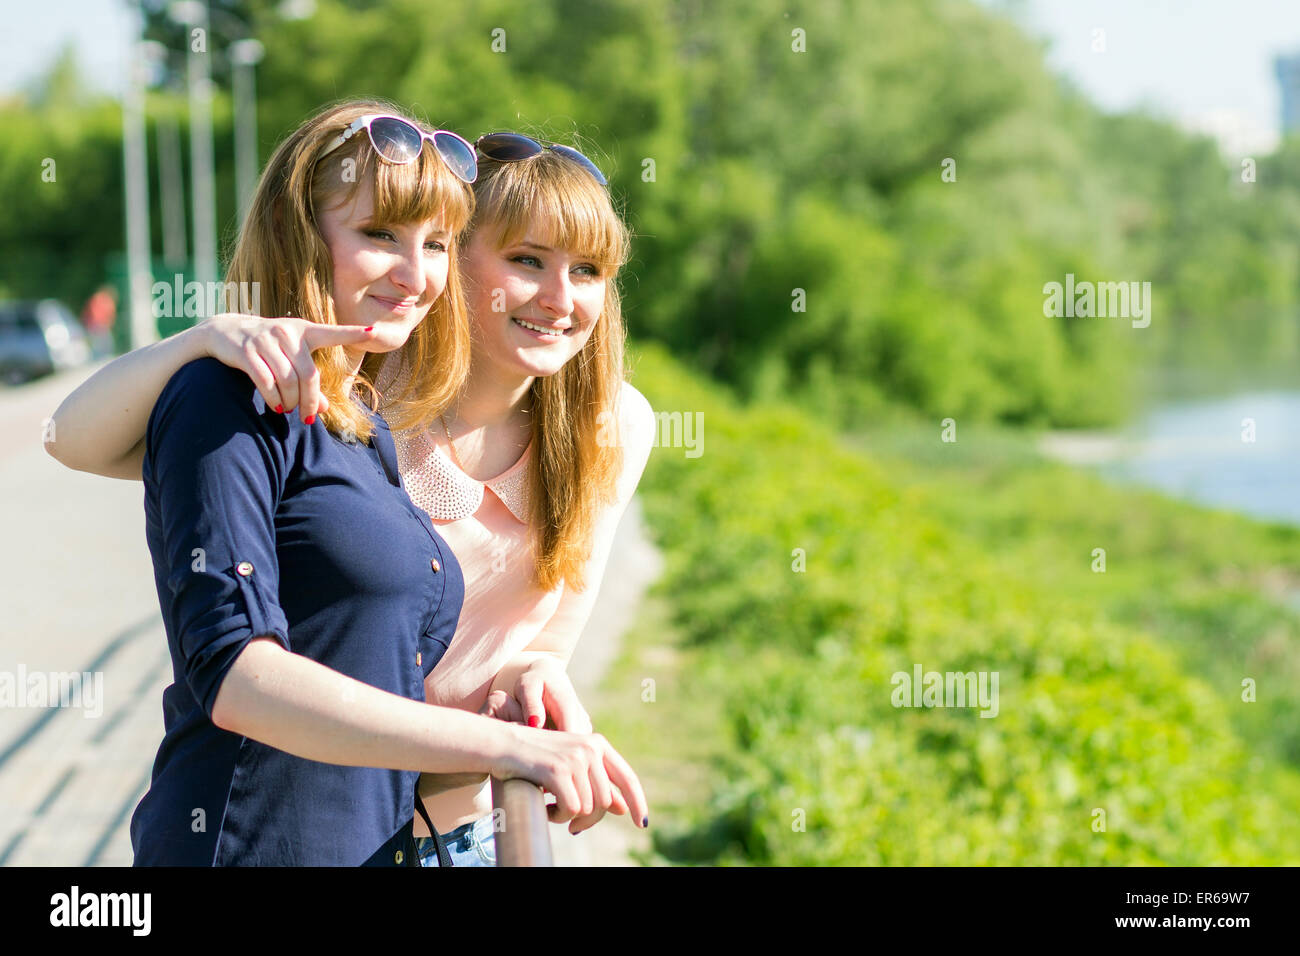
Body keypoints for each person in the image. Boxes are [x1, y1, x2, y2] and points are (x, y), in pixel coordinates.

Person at [45, 100, 647, 866]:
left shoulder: (360, 418)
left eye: (433, 243)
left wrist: (528, 684)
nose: (415, 272)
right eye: (378, 236)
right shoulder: (236, 395)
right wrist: (199, 341)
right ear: (302, 231)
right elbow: (235, 672)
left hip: (386, 836)